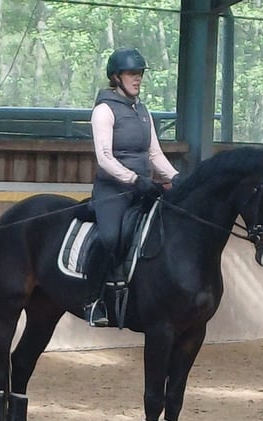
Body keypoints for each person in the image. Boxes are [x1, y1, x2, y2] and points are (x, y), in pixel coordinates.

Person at [85, 47, 181, 327]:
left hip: (144, 188)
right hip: (113, 190)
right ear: (116, 77)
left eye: (139, 74)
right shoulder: (104, 110)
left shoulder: (142, 111)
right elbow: (104, 158)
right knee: (109, 238)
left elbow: (154, 154)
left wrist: (176, 178)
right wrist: (134, 179)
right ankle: (93, 300)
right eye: (131, 74)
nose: (137, 79)